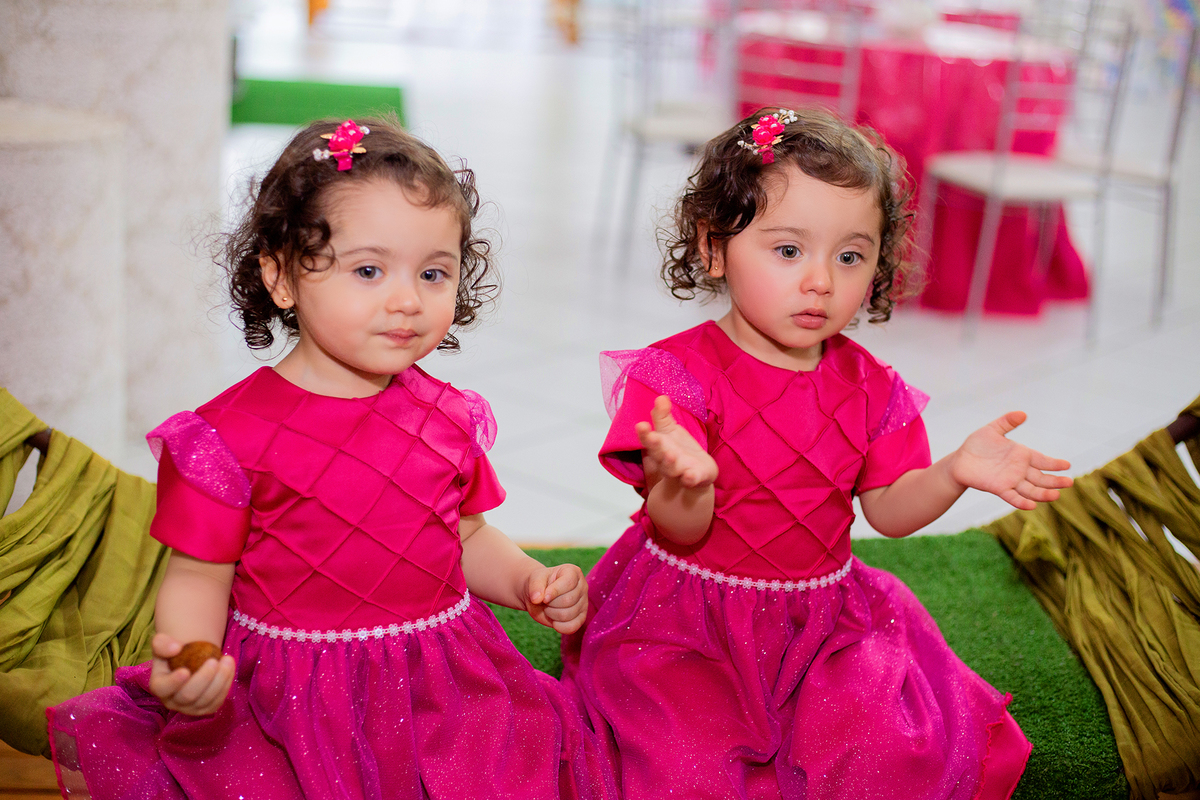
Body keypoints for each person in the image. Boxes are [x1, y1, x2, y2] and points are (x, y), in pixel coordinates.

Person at [46, 118, 614, 800]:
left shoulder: (447, 416)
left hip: (440, 688)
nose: (407, 300)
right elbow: (199, 577)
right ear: (282, 276)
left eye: (433, 272)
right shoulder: (227, 438)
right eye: (368, 271)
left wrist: (528, 581)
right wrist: (189, 660)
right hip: (293, 698)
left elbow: (464, 538)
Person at [562, 108, 1073, 799]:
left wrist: (952, 473)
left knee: (885, 757)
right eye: (788, 251)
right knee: (683, 768)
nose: (822, 281)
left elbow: (889, 511)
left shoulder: (873, 386)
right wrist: (687, 484)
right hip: (690, 625)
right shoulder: (675, 379)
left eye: (850, 256)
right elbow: (679, 529)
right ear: (714, 247)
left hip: (824, 628)